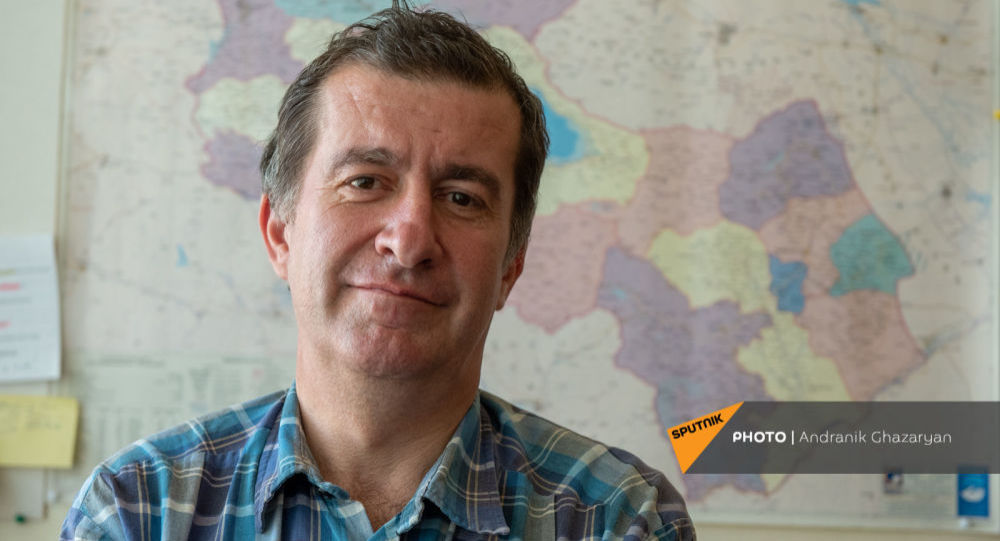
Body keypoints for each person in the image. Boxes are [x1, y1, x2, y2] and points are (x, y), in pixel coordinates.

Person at [61, 2, 694, 539]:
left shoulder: (618, 518)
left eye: (462, 197)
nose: (409, 240)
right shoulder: (138, 511)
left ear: (511, 266)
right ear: (280, 234)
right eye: (365, 181)